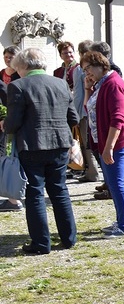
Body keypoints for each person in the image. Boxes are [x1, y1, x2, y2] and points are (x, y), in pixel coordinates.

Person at [2, 48, 78, 253]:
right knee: (59, 190)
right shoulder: (60, 83)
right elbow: (73, 118)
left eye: (18, 69)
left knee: (35, 192)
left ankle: (41, 243)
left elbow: (13, 123)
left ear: (23, 66)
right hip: (60, 143)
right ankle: (69, 238)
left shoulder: (18, 86)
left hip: (32, 145)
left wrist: (5, 124)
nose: (17, 72)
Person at [82, 51, 124, 237]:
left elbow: (118, 119)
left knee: (116, 184)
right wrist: (87, 89)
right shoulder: (101, 83)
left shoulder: (113, 83)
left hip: (116, 142)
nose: (87, 73)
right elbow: (89, 108)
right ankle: (122, 221)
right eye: (84, 70)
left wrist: (109, 148)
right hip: (104, 141)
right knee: (113, 185)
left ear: (100, 65)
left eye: (88, 68)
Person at [72, 41, 102, 184]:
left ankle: (93, 172)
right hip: (91, 108)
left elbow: (79, 94)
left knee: (87, 143)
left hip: (84, 110)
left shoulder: (80, 69)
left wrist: (76, 113)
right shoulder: (96, 69)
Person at [1, 45, 23, 211]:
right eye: (6, 57)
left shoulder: (20, 76)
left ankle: (14, 198)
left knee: (11, 156)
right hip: (3, 119)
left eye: (11, 57)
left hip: (12, 121)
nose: (8, 60)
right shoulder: (1, 74)